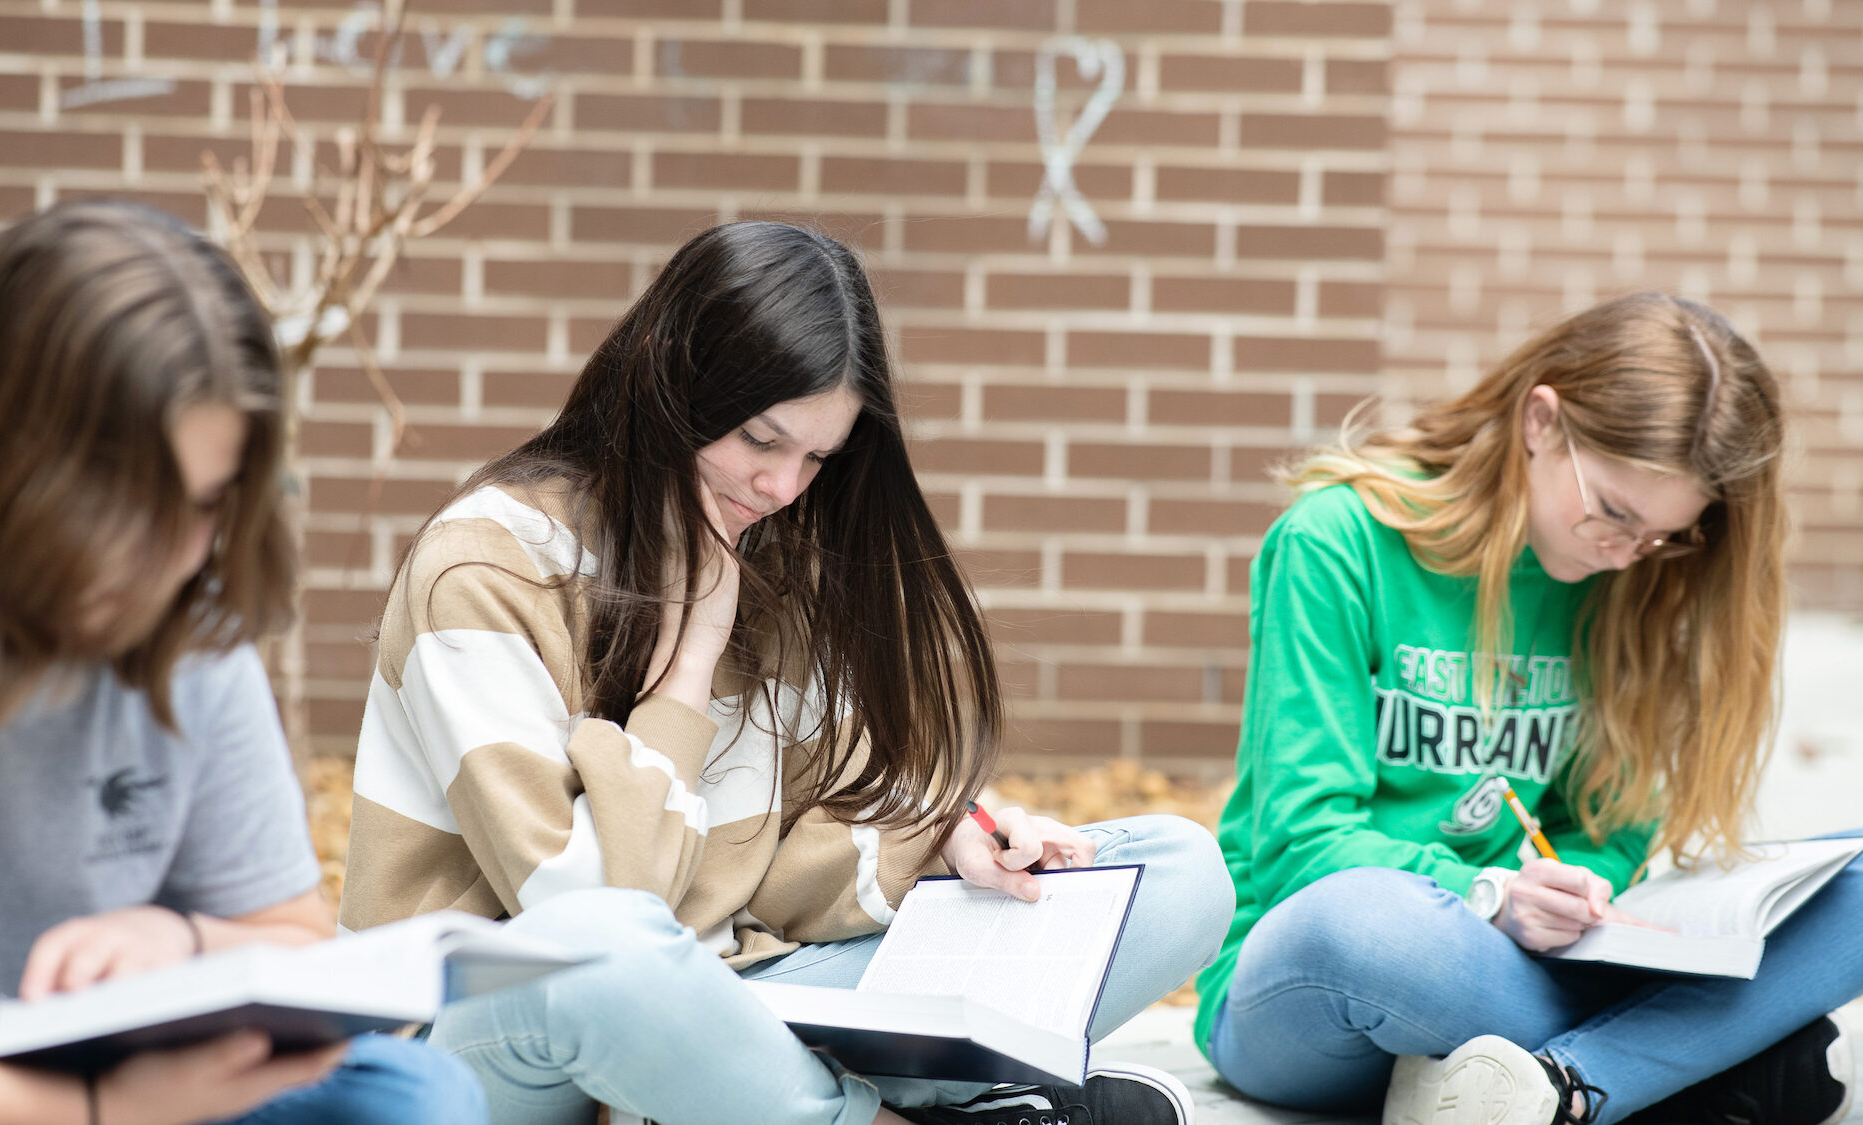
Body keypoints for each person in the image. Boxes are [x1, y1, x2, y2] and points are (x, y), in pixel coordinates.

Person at [337, 220, 1234, 1125]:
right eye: (762, 440)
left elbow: (794, 848)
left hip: (721, 1011)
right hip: (485, 1046)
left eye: (816, 457)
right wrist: (687, 667)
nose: (782, 487)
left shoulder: (760, 560)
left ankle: (747, 1102)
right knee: (603, 949)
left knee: (1176, 870)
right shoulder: (485, 568)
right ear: (671, 382)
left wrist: (950, 842)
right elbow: (592, 911)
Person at [0, 201, 486, 1125]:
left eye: (200, 505)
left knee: (414, 1096)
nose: (169, 559)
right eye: (123, 504)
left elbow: (290, 939)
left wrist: (179, 937)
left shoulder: (189, 629)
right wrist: (91, 1110)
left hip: (131, 1087)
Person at [1196, 291, 1863, 1125]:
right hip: (1329, 985)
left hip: (1526, 969)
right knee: (1363, 921)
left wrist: (1582, 891)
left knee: (1857, 875)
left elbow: (1610, 833)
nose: (1625, 552)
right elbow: (1302, 843)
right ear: (1541, 421)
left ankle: (1562, 1087)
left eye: (1663, 534)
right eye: (1614, 511)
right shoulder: (1339, 539)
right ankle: (1689, 1062)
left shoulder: (1630, 586)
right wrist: (1493, 892)